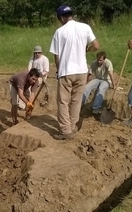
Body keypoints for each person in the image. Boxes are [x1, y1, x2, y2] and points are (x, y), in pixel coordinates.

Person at [49, 5, 99, 140]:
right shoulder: (85, 27)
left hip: (67, 71)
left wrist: (59, 70)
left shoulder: (59, 32)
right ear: (71, 14)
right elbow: (96, 46)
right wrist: (86, 49)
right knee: (76, 100)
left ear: (61, 17)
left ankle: (65, 130)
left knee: (63, 101)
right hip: (82, 70)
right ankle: (72, 125)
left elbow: (56, 55)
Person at [18, 45, 50, 110]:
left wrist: (39, 75)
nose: (37, 54)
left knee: (33, 88)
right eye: (36, 53)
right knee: (25, 88)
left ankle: (29, 104)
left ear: (41, 52)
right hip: (32, 75)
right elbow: (29, 69)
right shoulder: (32, 58)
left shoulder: (45, 59)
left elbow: (46, 71)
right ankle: (23, 104)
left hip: (41, 77)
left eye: (38, 52)